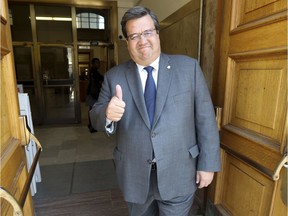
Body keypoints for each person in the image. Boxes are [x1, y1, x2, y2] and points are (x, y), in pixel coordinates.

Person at [89, 6, 220, 216]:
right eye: (134, 36)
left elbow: (205, 120)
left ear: (157, 33)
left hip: (179, 172)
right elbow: (94, 118)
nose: (142, 41)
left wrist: (208, 164)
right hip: (134, 176)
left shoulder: (189, 69)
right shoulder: (114, 77)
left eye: (147, 32)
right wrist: (106, 113)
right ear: (127, 42)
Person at [86, 58, 103, 133]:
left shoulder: (92, 71)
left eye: (99, 63)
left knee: (92, 109)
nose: (98, 64)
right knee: (93, 110)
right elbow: (102, 78)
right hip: (93, 94)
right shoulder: (94, 72)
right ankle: (92, 126)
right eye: (96, 63)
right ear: (93, 64)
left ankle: (91, 125)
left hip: (92, 93)